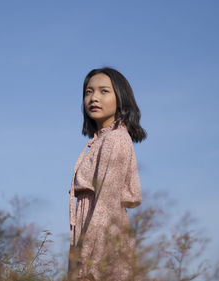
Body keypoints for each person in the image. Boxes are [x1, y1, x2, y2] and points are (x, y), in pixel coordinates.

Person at [68, 67, 146, 280]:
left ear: (120, 99)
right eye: (88, 92)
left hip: (102, 246)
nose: (94, 98)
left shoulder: (114, 140)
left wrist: (87, 261)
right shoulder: (102, 139)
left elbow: (106, 205)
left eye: (104, 91)